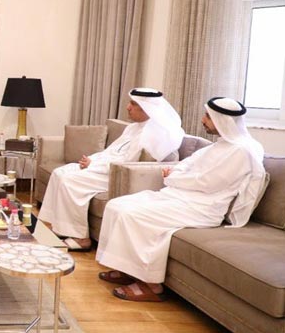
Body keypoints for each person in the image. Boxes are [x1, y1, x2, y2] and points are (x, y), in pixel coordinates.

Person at [96, 97, 266, 302]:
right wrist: (177, 173)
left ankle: (151, 286)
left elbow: (206, 183)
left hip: (203, 208)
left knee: (133, 215)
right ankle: (128, 270)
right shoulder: (219, 145)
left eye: (208, 116)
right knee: (116, 205)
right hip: (181, 196)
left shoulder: (242, 150)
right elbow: (187, 164)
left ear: (223, 120)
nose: (203, 120)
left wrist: (173, 177)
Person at [38, 88, 185, 251]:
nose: (128, 107)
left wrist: (93, 165)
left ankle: (80, 237)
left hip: (116, 174)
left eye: (133, 104)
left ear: (147, 108)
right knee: (60, 172)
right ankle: (60, 227)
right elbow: (110, 152)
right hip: (103, 166)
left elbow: (127, 163)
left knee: (69, 180)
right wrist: (92, 160)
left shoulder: (155, 134)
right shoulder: (133, 128)